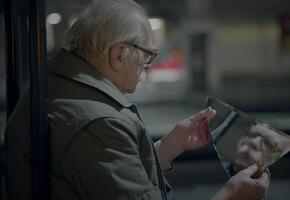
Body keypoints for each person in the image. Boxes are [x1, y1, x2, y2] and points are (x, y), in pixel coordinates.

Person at [5, 0, 270, 199]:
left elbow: (101, 174)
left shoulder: (57, 85)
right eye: (147, 54)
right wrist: (231, 195)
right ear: (119, 55)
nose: (148, 65)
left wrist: (168, 146)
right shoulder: (97, 122)